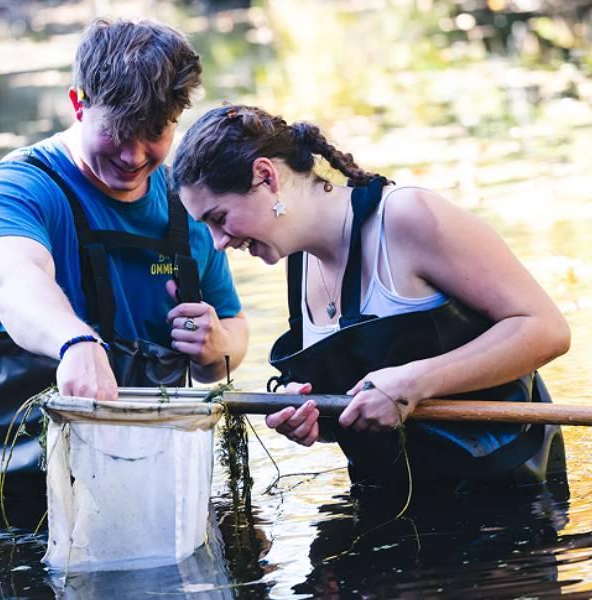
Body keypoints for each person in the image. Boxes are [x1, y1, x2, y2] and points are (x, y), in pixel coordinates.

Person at [170, 105, 569, 491]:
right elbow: (359, 407)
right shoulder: (298, 264)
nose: (218, 244)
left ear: (265, 176)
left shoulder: (406, 217)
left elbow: (546, 329)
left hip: (507, 498)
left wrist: (414, 382)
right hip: (391, 504)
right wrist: (313, 416)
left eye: (219, 219)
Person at [0, 18, 249, 515]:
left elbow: (233, 328)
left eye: (154, 133)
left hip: (150, 490)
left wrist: (218, 346)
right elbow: (15, 279)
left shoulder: (187, 208)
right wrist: (75, 342)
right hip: (16, 506)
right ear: (78, 103)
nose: (132, 155)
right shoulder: (10, 192)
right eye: (118, 130)